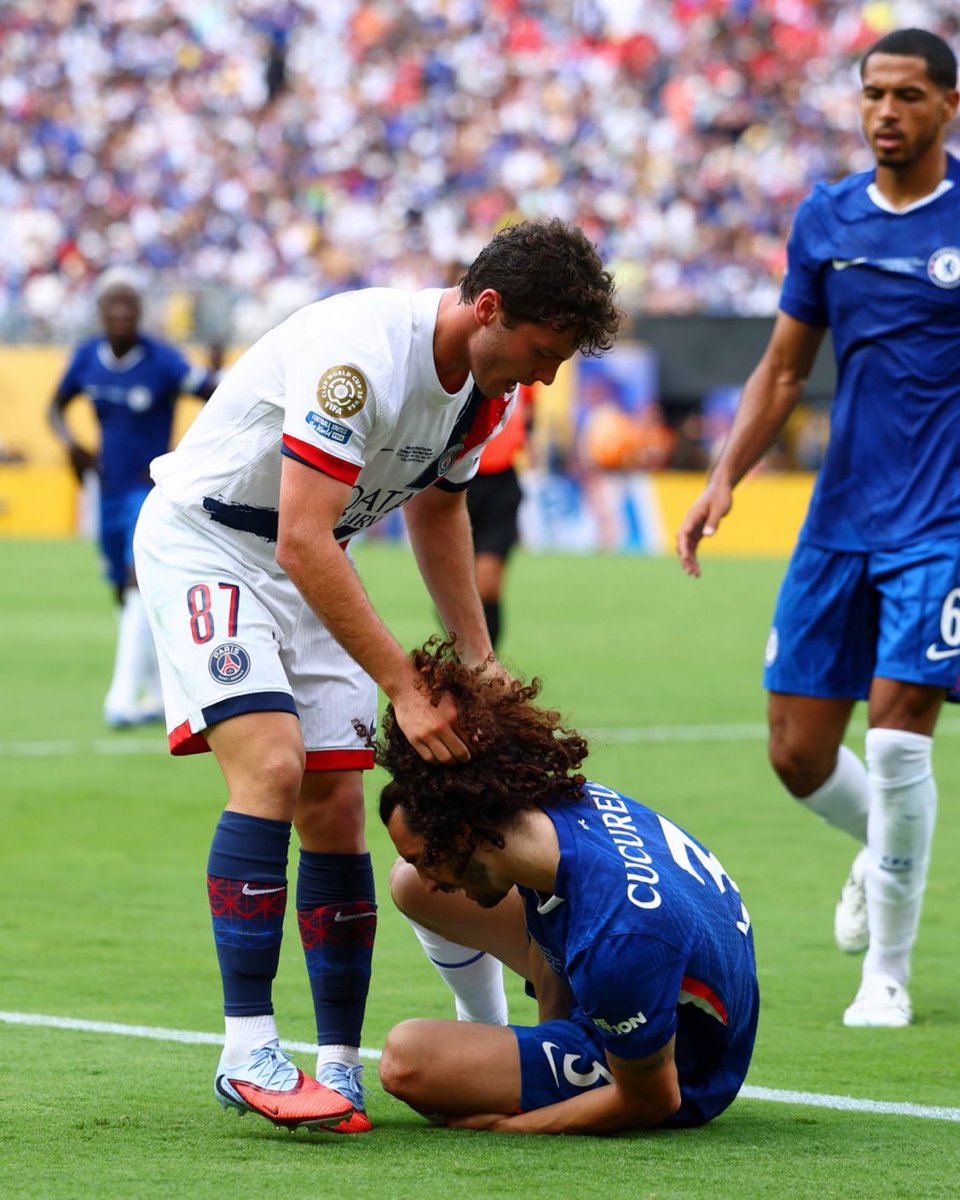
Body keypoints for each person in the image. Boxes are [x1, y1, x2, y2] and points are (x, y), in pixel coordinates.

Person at [132, 219, 621, 1134]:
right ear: (488, 309)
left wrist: (478, 661)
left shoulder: (484, 389)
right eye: (542, 352)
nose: (544, 377)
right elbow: (300, 533)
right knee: (274, 768)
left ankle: (336, 1065)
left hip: (312, 560)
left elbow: (440, 515)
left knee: (337, 806)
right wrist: (403, 681)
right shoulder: (359, 356)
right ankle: (247, 1052)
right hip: (211, 546)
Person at [676, 29, 960, 1028]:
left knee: (896, 740)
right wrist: (723, 480)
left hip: (943, 526)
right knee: (797, 752)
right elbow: (786, 370)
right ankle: (877, 847)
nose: (888, 110)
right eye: (874, 92)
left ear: (949, 108)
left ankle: (886, 971)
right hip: (840, 520)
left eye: (910, 95)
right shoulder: (827, 220)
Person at [371, 639, 759, 1134]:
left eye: (429, 857)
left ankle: (522, 1060)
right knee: (409, 888)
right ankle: (507, 1038)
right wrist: (547, 1039)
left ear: (466, 831)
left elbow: (651, 1098)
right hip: (670, 971)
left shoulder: (617, 939)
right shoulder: (546, 814)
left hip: (686, 1061)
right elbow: (551, 920)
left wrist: (512, 1125)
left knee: (409, 1060)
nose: (431, 876)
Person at [47, 270, 220, 728]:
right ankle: (157, 695)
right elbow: (55, 407)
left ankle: (121, 698)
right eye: (113, 305)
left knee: (135, 581)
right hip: (107, 489)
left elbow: (216, 394)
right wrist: (73, 445)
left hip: (150, 491)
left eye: (130, 305)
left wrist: (193, 455)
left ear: (141, 312)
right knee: (122, 591)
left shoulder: (163, 360)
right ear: (101, 312)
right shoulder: (87, 357)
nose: (122, 313)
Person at [465, 382, 534, 650]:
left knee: (488, 584)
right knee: (456, 585)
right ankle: (466, 654)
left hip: (502, 483)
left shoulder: (522, 378)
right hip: (458, 480)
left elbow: (529, 416)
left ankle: (485, 660)